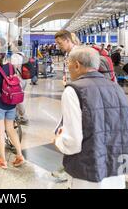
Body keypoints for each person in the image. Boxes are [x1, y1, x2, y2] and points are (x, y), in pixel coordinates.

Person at [52, 46, 128, 189]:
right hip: (116, 173)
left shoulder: (73, 91)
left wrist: (58, 140)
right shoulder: (116, 89)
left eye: (68, 64)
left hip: (86, 173)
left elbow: (73, 143)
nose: (68, 68)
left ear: (77, 65)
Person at [52, 30, 80, 182]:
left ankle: (68, 169)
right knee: (66, 131)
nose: (58, 46)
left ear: (68, 40)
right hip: (71, 94)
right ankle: (67, 167)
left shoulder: (76, 54)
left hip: (75, 97)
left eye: (60, 43)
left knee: (68, 131)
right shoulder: (70, 53)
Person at [10, 40, 29, 125]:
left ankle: (24, 117)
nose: (11, 47)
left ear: (16, 47)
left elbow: (14, 68)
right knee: (19, 96)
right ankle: (16, 115)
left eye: (12, 45)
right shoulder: (23, 54)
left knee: (17, 99)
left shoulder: (14, 56)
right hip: (24, 79)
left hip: (18, 79)